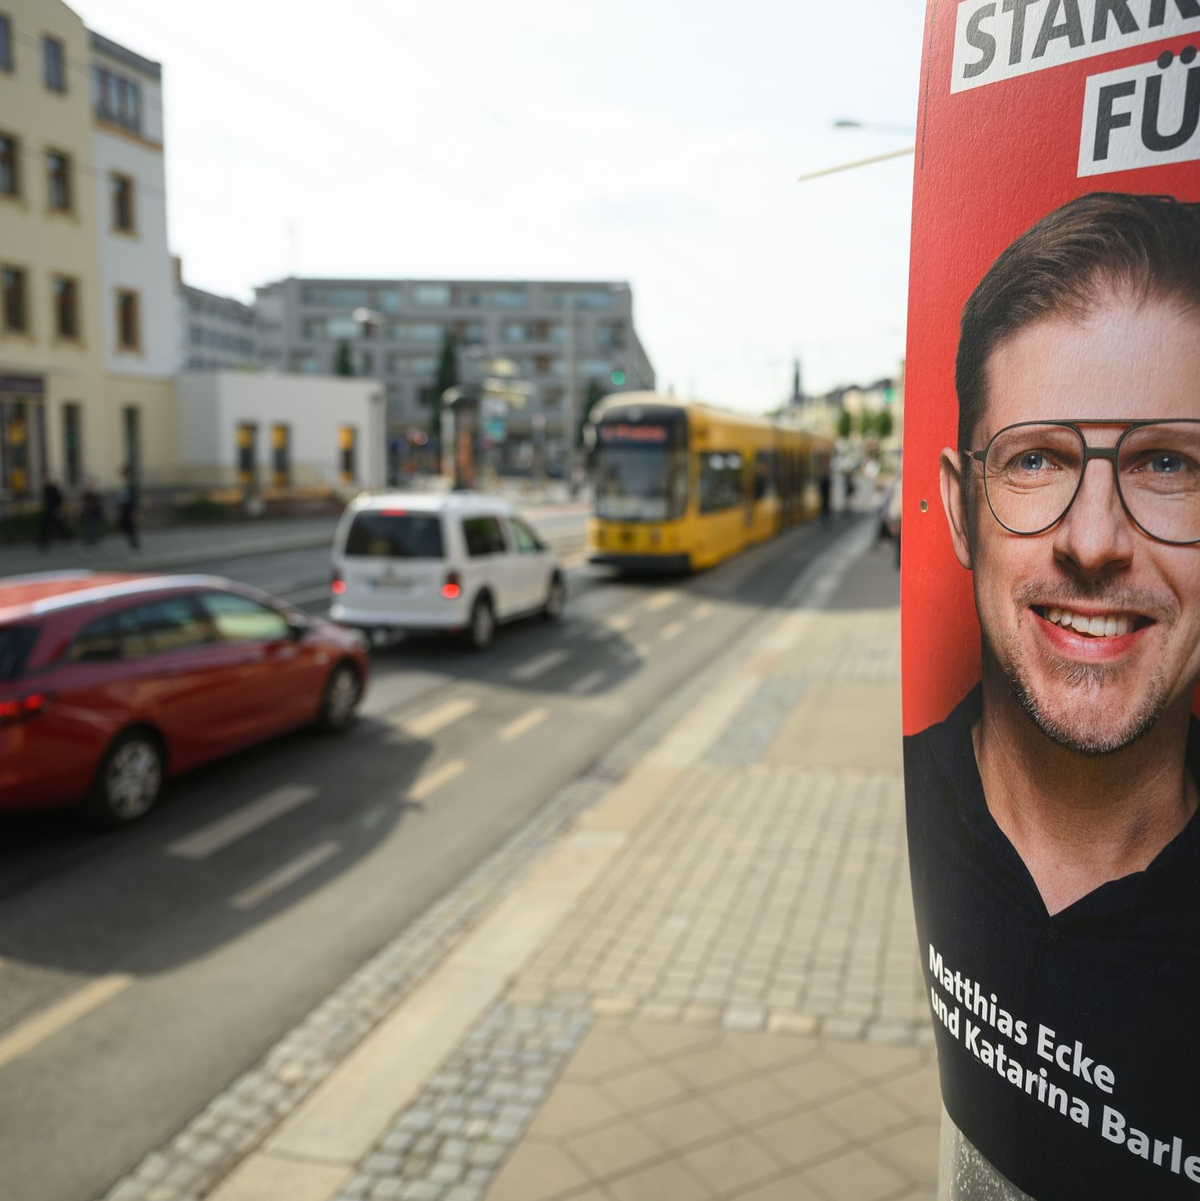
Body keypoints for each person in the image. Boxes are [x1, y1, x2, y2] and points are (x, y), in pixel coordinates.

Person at [906, 192, 1200, 1201]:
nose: (1094, 537)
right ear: (958, 508)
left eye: (1167, 462)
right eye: (1037, 459)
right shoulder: (911, 797)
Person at [37, 473, 71, 551]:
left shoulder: (53, 488)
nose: (43, 480)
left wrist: (58, 509)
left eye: (44, 478)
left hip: (54, 510)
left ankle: (67, 537)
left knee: (58, 526)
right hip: (48, 510)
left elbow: (59, 499)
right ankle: (43, 543)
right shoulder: (45, 488)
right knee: (45, 526)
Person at [117, 466, 140, 554]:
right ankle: (131, 547)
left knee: (132, 530)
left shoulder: (131, 486)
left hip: (130, 511)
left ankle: (134, 548)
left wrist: (133, 513)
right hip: (124, 511)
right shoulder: (124, 485)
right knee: (127, 530)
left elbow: (134, 500)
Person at [78, 478, 104, 550]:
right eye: (89, 484)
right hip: (86, 514)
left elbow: (100, 505)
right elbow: (81, 504)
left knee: (93, 528)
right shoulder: (85, 495)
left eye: (91, 484)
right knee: (86, 528)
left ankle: (93, 541)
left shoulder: (96, 495)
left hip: (94, 514)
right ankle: (87, 542)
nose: (90, 486)